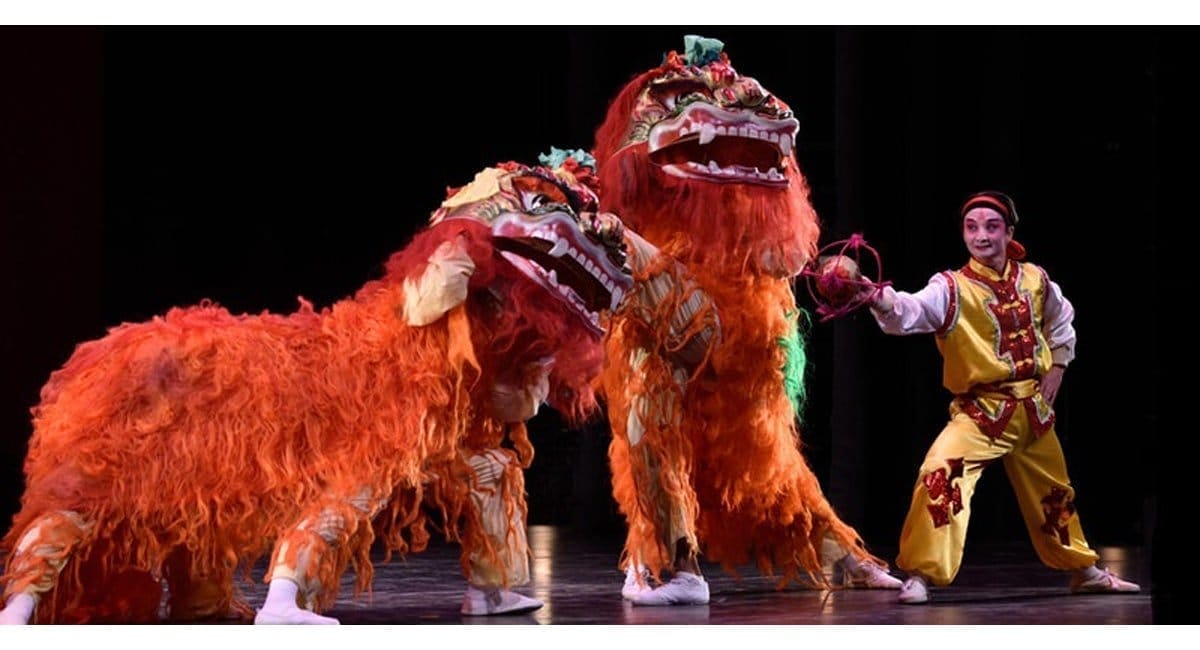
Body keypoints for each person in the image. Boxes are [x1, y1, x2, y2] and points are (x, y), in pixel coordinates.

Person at [865, 190, 1141, 604]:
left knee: (1055, 496)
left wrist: (1059, 366)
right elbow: (910, 311)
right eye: (971, 227)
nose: (981, 236)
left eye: (991, 227)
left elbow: (1061, 319)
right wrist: (877, 296)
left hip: (1031, 411)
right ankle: (921, 574)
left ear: (1008, 232)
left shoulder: (1035, 279)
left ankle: (1086, 571)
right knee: (940, 475)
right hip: (981, 413)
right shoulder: (952, 287)